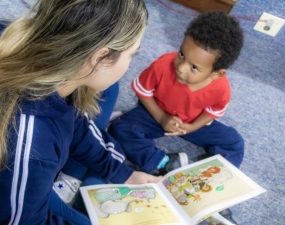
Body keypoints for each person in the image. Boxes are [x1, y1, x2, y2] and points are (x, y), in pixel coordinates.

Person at [0, 0, 162, 224]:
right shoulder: (32, 146)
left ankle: (67, 181)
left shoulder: (60, 69)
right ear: (101, 56)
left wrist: (125, 174)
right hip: (19, 189)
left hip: (29, 173)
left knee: (109, 90)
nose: (130, 63)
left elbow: (75, 124)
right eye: (132, 55)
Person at [108, 11, 244, 176]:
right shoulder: (163, 65)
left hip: (191, 122)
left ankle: (218, 177)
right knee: (121, 127)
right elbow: (143, 92)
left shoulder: (221, 87)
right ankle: (162, 162)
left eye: (194, 67)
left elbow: (213, 111)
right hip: (155, 113)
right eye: (181, 54)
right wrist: (162, 118)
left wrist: (192, 127)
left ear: (216, 73)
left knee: (234, 142)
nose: (181, 67)